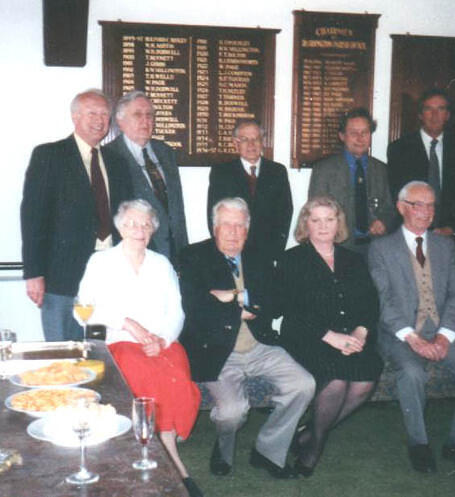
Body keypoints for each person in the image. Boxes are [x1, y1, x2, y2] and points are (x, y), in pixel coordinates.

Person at [179, 198, 315, 479]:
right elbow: (194, 308)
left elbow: (276, 301)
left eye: (239, 225)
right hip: (216, 350)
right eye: (226, 224)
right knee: (231, 412)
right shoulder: (193, 256)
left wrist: (232, 297)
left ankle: (267, 451)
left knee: (304, 384)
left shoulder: (261, 255)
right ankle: (224, 447)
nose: (233, 231)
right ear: (214, 227)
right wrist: (240, 308)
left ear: (247, 229)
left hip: (260, 344)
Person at [76, 199, 202, 497]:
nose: (138, 229)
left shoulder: (162, 263)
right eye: (132, 223)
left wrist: (162, 339)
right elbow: (82, 308)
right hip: (120, 341)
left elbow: (177, 312)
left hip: (161, 342)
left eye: (145, 224)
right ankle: (174, 462)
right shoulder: (101, 261)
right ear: (120, 226)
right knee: (143, 372)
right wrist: (128, 323)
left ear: (152, 229)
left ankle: (164, 450)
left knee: (176, 375)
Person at [368, 181, 455, 473]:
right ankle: (419, 444)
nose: (426, 212)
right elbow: (383, 301)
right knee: (411, 372)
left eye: (431, 205)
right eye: (418, 205)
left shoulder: (445, 245)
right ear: (401, 208)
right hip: (401, 334)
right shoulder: (381, 248)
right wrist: (413, 339)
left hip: (441, 331)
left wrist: (444, 336)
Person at [276, 196, 383, 476]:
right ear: (306, 225)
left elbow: (369, 301)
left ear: (339, 224)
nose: (323, 226)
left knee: (365, 378)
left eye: (330, 219)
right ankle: (314, 446)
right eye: (316, 220)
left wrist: (361, 331)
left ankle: (308, 432)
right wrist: (330, 337)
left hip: (351, 335)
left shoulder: (354, 259)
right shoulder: (291, 259)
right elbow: (291, 308)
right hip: (307, 337)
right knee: (336, 380)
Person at [21, 89, 132, 341]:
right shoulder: (49, 156)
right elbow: (32, 218)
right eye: (92, 113)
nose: (100, 120)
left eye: (105, 114)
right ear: (75, 117)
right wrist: (34, 273)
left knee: (102, 351)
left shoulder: (118, 163)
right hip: (62, 278)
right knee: (64, 353)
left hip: (109, 277)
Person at [387, 89, 455, 262]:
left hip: (451, 237)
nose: (435, 115)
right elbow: (397, 193)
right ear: (420, 114)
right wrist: (420, 226)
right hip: (412, 235)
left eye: (440, 109)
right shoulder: (400, 148)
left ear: (447, 115)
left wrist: (452, 228)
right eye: (429, 109)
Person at [104, 91, 188, 265]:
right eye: (137, 115)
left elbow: (176, 208)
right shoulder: (109, 156)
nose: (145, 120)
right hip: (135, 254)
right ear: (120, 121)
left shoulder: (166, 152)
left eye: (149, 115)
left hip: (174, 253)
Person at [206, 118, 292, 265]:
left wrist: (275, 252)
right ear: (235, 144)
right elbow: (213, 215)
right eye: (245, 139)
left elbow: (285, 213)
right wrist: (225, 248)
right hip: (232, 250)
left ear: (263, 142)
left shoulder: (277, 171)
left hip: (267, 253)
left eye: (256, 139)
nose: (251, 145)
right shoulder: (222, 172)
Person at [308, 108, 395, 253]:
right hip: (338, 248)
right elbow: (316, 212)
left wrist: (384, 222)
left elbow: (390, 208)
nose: (360, 138)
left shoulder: (382, 170)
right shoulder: (324, 170)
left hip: (375, 248)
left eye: (365, 133)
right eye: (354, 133)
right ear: (342, 136)